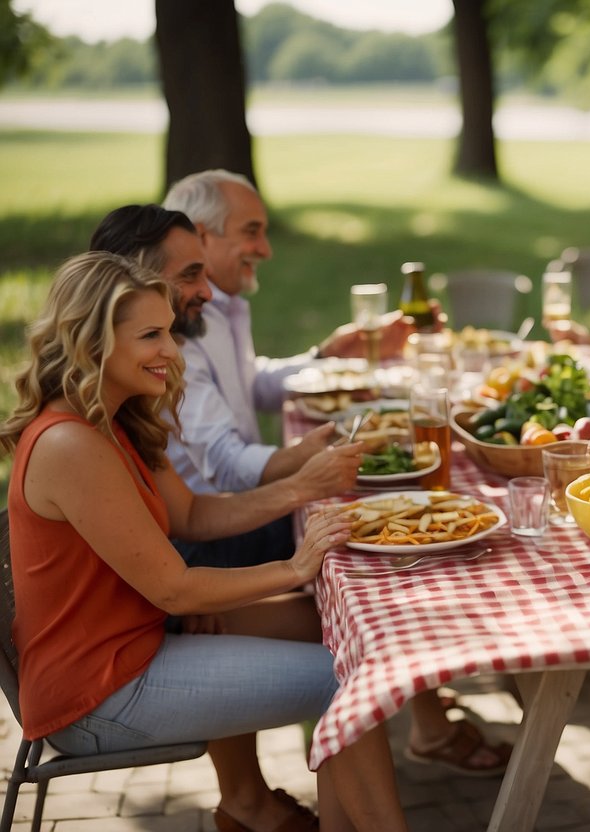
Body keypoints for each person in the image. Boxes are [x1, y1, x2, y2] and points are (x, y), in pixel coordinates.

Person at [90, 202, 512, 778]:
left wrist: (322, 361)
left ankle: (423, 702)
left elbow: (237, 417)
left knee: (365, 572)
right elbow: (211, 501)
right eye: (249, 231)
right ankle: (411, 709)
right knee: (365, 573)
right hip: (168, 593)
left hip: (188, 541)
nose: (206, 288)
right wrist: (301, 494)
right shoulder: (128, 391)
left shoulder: (161, 360)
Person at [0, 252, 409, 831]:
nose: (171, 349)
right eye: (151, 335)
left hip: (138, 639)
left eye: (168, 331)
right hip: (98, 690)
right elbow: (175, 589)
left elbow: (191, 514)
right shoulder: (71, 445)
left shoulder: (117, 419)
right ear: (91, 343)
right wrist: (296, 565)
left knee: (343, 626)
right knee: (344, 681)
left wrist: (297, 486)